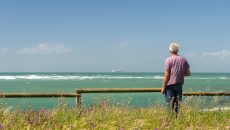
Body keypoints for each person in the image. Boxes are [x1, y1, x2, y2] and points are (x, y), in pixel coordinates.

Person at [161, 42, 190, 114]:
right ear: (177, 50)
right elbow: (188, 73)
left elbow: (167, 74)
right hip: (179, 84)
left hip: (169, 85)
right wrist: (178, 74)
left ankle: (170, 122)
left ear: (170, 50)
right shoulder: (183, 59)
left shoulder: (168, 60)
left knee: (169, 106)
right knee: (177, 106)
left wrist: (163, 87)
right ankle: (176, 122)